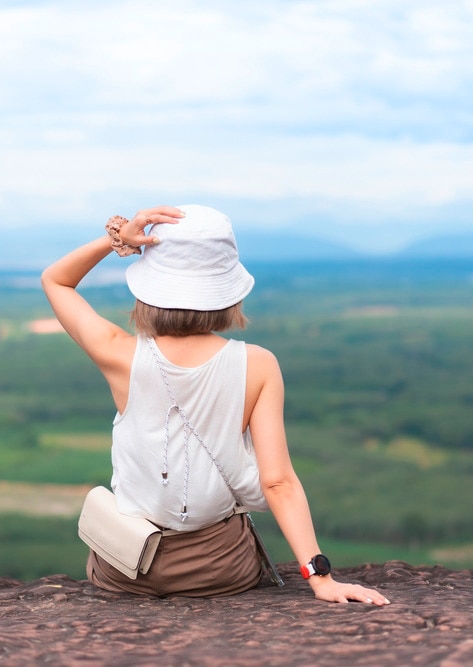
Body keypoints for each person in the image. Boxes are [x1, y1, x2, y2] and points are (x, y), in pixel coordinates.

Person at [41, 204, 391, 605]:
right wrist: (321, 579)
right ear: (227, 294)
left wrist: (118, 239)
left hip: (124, 570)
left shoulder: (119, 354)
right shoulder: (258, 365)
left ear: (149, 290)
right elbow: (278, 483)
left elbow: (56, 281)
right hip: (220, 570)